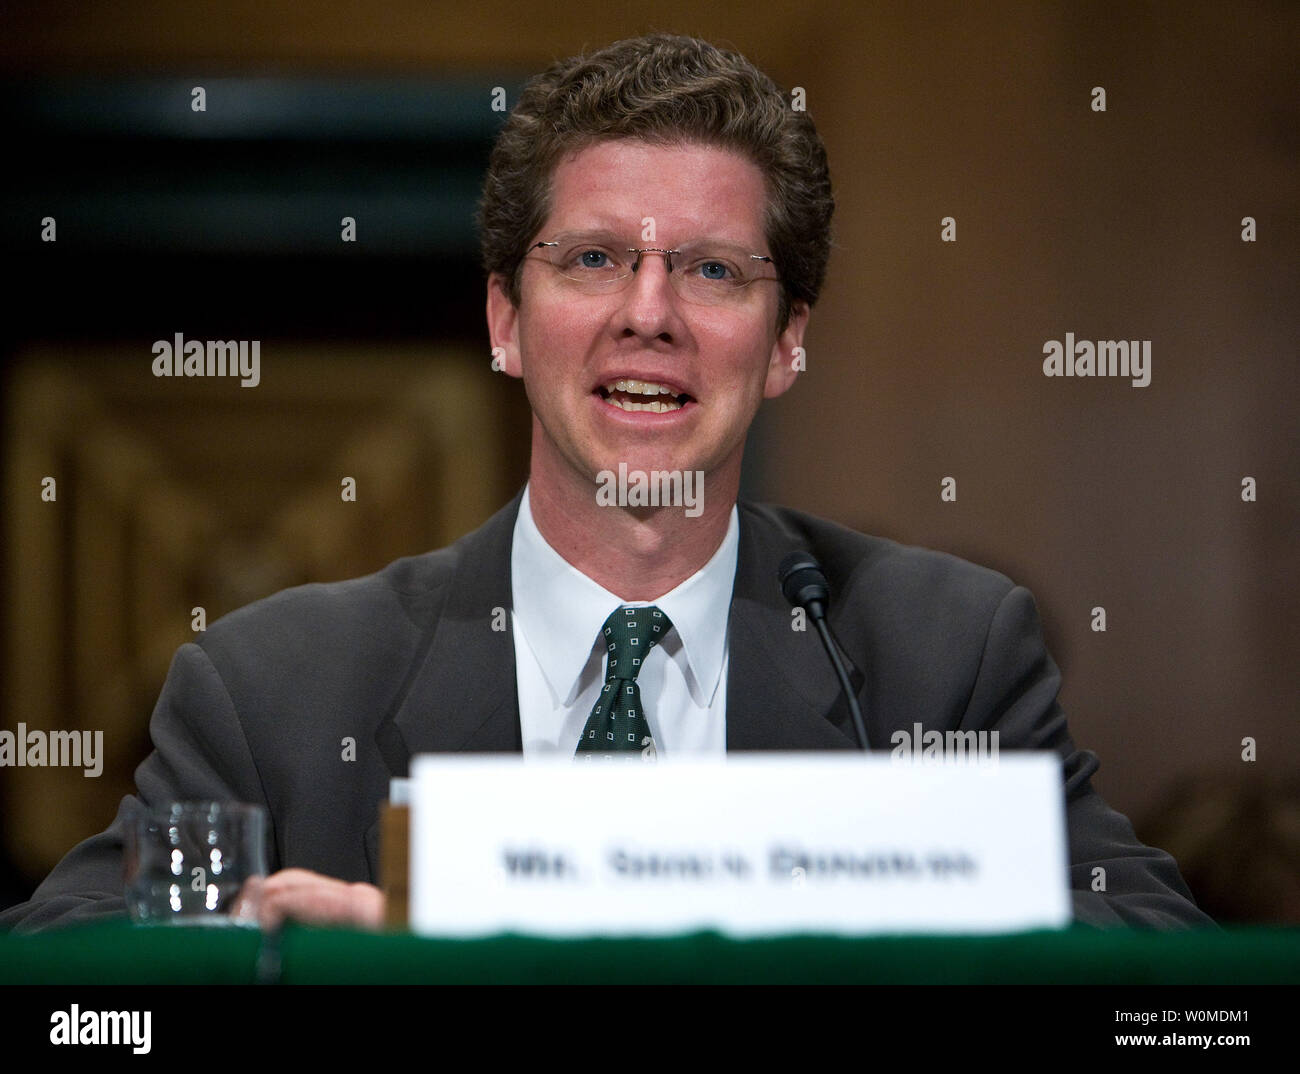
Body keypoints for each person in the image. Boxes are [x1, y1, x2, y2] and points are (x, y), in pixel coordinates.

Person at [1, 32, 1212, 933]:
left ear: (788, 340)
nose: (648, 315)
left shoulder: (944, 654)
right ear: (504, 321)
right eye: (591, 259)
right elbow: (69, 991)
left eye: (712, 270)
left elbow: (1173, 992)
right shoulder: (272, 688)